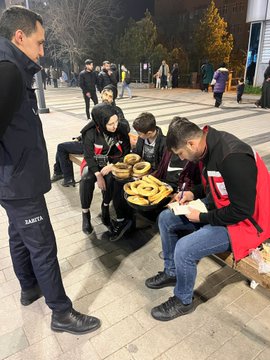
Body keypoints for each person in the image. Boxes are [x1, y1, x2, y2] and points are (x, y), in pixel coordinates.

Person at [0, 6, 101, 334]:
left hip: (13, 181)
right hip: (19, 182)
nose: (43, 50)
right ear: (19, 36)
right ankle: (61, 312)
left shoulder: (11, 65)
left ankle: (29, 289)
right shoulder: (8, 71)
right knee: (42, 244)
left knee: (19, 235)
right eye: (39, 42)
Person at [145, 118, 270, 322]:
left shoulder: (233, 157)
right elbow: (215, 187)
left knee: (185, 249)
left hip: (247, 224)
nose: (182, 159)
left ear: (191, 144)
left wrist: (201, 217)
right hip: (224, 208)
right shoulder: (206, 145)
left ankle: (183, 300)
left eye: (180, 154)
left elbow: (243, 210)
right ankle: (172, 272)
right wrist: (192, 194)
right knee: (167, 218)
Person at [79, 103, 132, 241]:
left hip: (113, 163)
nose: (115, 126)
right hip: (94, 163)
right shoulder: (89, 132)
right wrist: (97, 174)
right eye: (110, 124)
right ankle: (85, 214)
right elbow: (88, 156)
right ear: (100, 122)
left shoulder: (121, 130)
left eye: (116, 121)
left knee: (111, 179)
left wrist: (113, 166)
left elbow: (126, 152)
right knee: (86, 179)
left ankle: (105, 208)